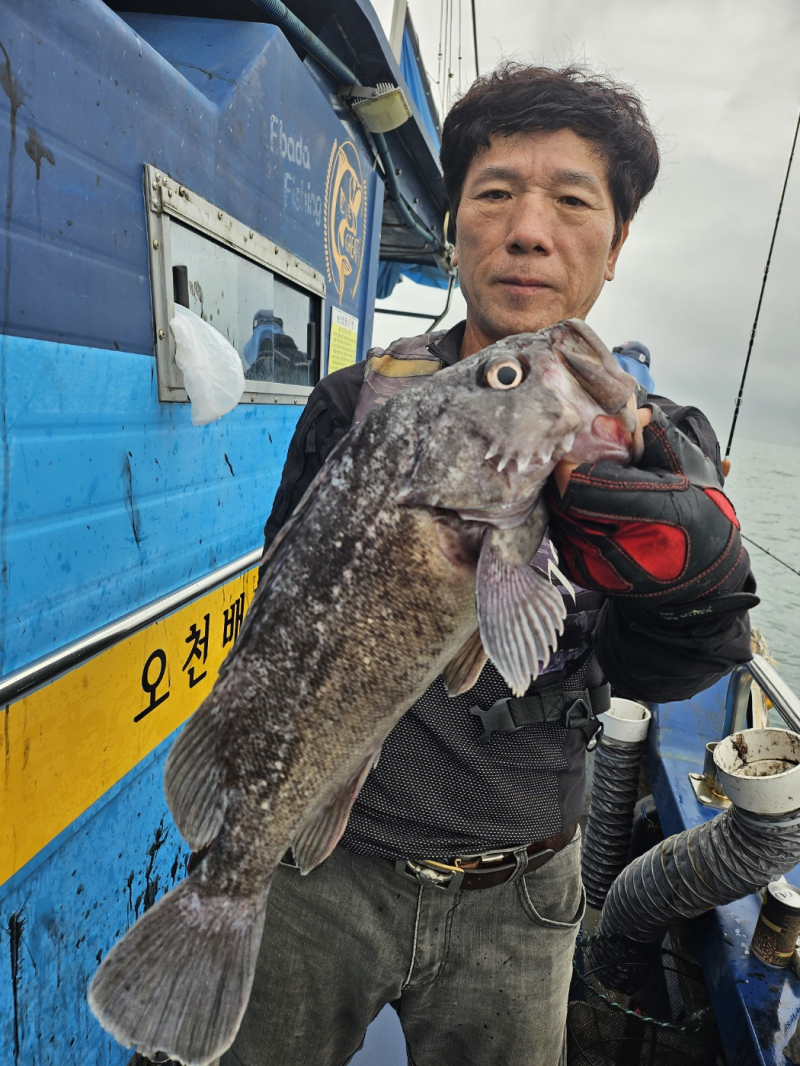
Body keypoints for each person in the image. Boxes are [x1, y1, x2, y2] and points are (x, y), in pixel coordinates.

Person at [222, 64, 757, 1066]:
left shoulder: (662, 445)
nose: (526, 229)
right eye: (496, 192)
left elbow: (657, 677)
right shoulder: (356, 403)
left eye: (568, 199)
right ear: (458, 221)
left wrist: (693, 593)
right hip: (323, 870)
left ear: (615, 242)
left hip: (520, 895)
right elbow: (285, 621)